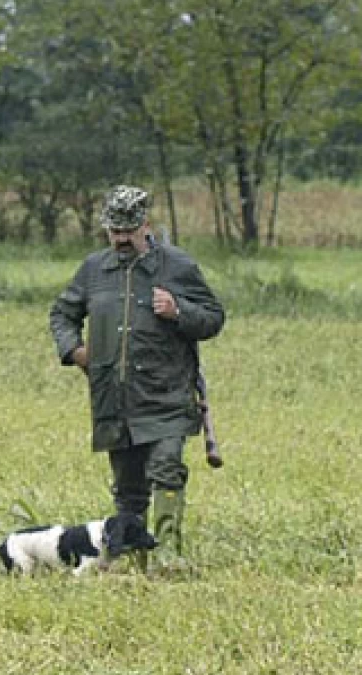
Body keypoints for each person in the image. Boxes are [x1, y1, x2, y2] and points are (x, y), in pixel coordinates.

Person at [50, 185, 225, 571]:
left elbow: (213, 318)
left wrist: (179, 311)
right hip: (114, 399)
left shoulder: (177, 266)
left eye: (128, 230)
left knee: (165, 469)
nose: (121, 239)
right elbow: (62, 314)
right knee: (128, 490)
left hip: (167, 397)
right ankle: (132, 556)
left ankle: (165, 556)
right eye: (114, 231)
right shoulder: (94, 269)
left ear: (145, 224)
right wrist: (75, 352)